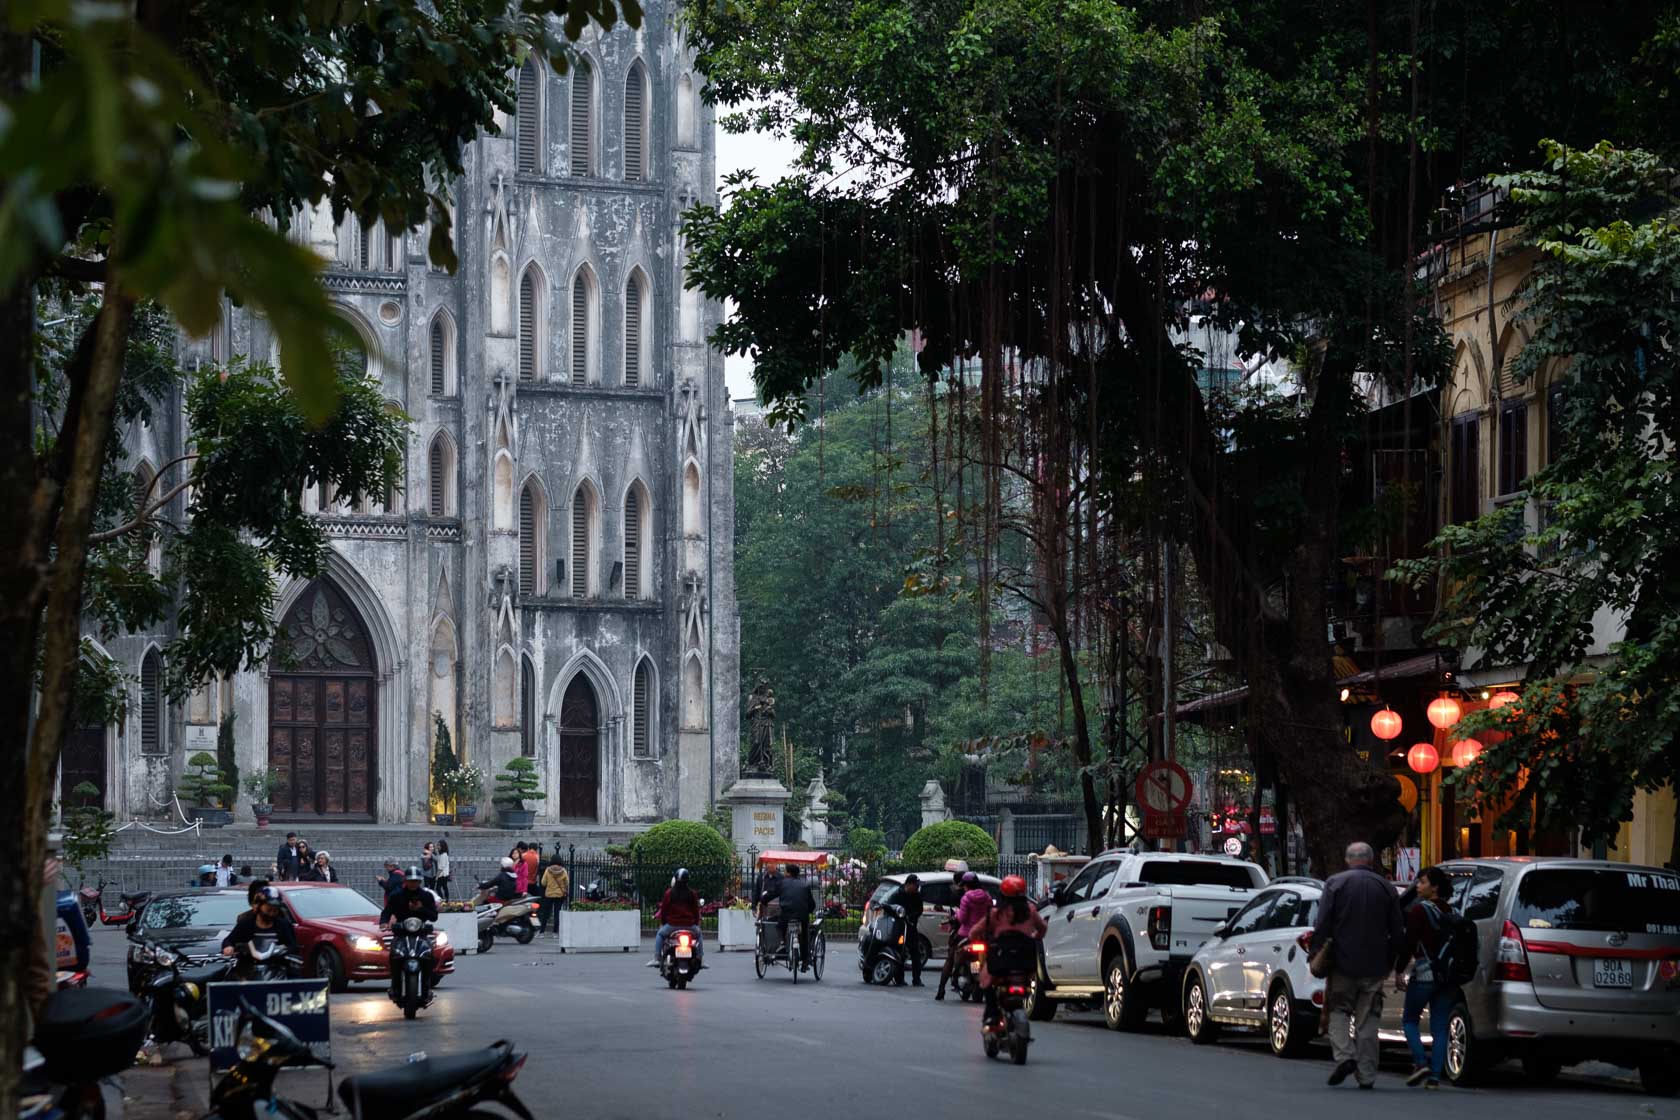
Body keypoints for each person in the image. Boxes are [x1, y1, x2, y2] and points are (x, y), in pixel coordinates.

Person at [1311, 840, 1406, 1090]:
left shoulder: (1335, 884)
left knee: (1339, 1011)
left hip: (1342, 962)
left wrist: (1317, 953)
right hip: (1375, 965)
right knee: (1368, 1020)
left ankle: (1345, 1056)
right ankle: (1367, 1074)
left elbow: (1323, 925)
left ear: (1347, 859)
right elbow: (1397, 931)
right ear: (1371, 860)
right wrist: (1391, 962)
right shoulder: (1386, 887)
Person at [1396, 865, 1459, 1089]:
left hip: (1424, 973)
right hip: (1448, 976)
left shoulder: (1419, 911)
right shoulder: (1452, 912)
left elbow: (1409, 943)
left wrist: (1399, 969)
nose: (1418, 886)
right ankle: (1434, 1077)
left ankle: (1421, 1061)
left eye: (1422, 882)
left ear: (1434, 887)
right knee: (1440, 1026)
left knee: (1410, 1020)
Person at [977, 874, 1046, 1028]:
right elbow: (1042, 928)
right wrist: (1034, 937)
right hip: (1025, 963)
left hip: (1001, 962)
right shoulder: (1030, 910)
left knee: (985, 981)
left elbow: (975, 932)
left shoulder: (996, 913)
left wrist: (979, 938)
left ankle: (992, 1012)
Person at [936, 872, 993, 1000]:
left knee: (950, 958)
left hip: (965, 934)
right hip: (983, 934)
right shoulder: (987, 897)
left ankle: (941, 990)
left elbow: (962, 918)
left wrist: (955, 917)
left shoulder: (966, 898)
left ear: (966, 885)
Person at [222, 885, 298, 959]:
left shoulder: (283, 925)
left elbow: (293, 946)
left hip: (276, 966)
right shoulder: (245, 924)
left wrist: (284, 949)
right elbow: (229, 940)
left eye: (275, 909)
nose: (272, 912)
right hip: (249, 966)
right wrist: (228, 947)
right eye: (269, 909)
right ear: (258, 906)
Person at [648, 868, 704, 967]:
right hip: (689, 925)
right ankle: (700, 958)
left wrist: (663, 923)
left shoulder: (669, 893)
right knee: (699, 934)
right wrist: (696, 923)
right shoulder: (692, 894)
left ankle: (657, 958)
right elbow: (696, 911)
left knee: (660, 935)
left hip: (672, 925)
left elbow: (664, 910)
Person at [769, 863, 816, 968]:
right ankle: (805, 960)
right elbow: (812, 904)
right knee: (804, 936)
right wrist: (809, 911)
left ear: (788, 873)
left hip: (786, 915)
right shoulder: (805, 885)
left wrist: (763, 899)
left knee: (780, 926)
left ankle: (782, 943)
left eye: (785, 871)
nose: (784, 873)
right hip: (802, 916)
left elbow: (771, 894)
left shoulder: (782, 883)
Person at [882, 874, 925, 987]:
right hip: (898, 928)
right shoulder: (897, 895)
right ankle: (899, 978)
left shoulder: (916, 896)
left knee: (915, 953)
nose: (917, 888)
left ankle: (917, 979)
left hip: (911, 927)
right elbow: (888, 907)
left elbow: (919, 909)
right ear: (909, 885)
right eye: (915, 885)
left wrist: (912, 916)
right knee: (899, 951)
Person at [540, 857, 570, 935]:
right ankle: (555, 932)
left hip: (549, 894)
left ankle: (542, 932)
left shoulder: (548, 870)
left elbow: (543, 882)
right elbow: (567, 883)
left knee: (546, 913)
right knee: (557, 914)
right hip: (559, 894)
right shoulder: (563, 871)